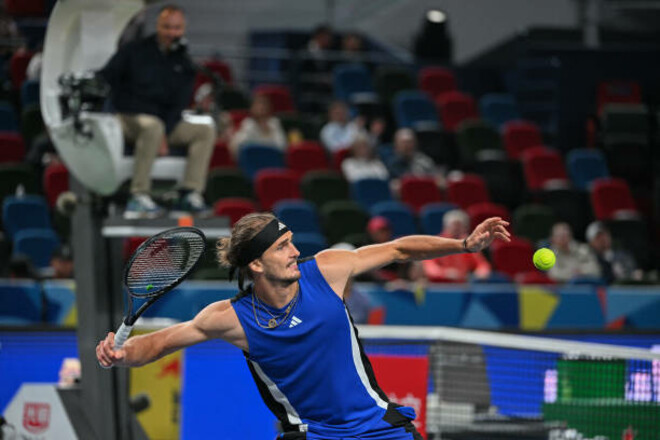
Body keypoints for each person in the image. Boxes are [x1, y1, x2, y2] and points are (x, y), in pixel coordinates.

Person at [97, 212, 510, 439]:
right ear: (256, 264)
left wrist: (464, 245)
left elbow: (398, 248)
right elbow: (162, 343)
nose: (296, 251)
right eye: (282, 247)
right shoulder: (230, 318)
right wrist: (121, 353)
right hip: (313, 436)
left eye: (292, 241)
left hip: (380, 428)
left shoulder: (328, 271)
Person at [98, 5, 215, 219]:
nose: (172, 33)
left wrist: (166, 130)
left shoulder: (183, 61)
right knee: (152, 126)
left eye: (177, 28)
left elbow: (179, 105)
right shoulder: (134, 50)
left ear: (183, 29)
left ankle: (189, 193)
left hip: (164, 123)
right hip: (128, 116)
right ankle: (138, 196)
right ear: (158, 27)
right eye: (167, 27)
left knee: (204, 130)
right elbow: (107, 78)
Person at [422, 209, 491, 283]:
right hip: (439, 285)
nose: (457, 229)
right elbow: (428, 267)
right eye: (454, 226)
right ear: (446, 226)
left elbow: (482, 265)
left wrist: (479, 273)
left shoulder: (469, 244)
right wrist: (445, 273)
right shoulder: (435, 243)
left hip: (462, 285)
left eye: (460, 226)